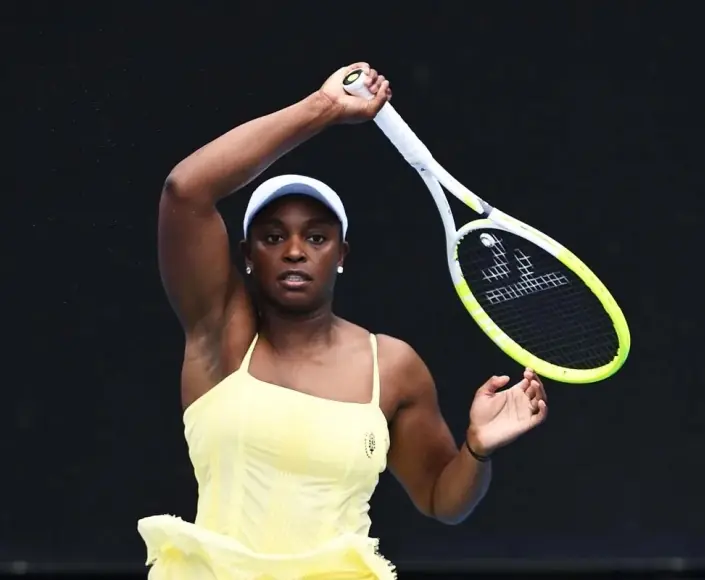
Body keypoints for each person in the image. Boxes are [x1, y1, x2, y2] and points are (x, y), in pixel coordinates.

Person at [138, 62, 549, 580]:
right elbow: (185, 191)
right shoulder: (220, 334)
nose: (293, 251)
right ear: (246, 254)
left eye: (315, 237)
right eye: (272, 237)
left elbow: (442, 498)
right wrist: (324, 109)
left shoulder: (392, 366)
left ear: (341, 254)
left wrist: (477, 448)